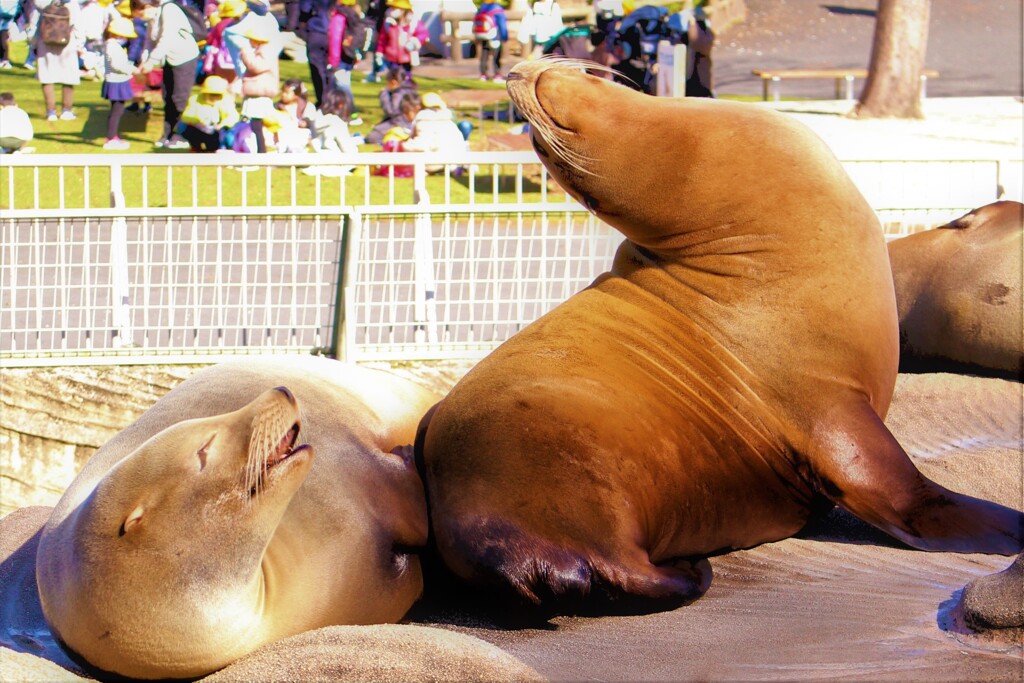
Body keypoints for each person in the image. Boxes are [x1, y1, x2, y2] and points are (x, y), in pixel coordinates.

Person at [142, 0, 202, 148]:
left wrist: (151, 61)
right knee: (167, 98)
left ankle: (180, 135)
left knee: (179, 99)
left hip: (184, 58)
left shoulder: (170, 9)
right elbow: (149, 40)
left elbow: (166, 39)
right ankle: (167, 134)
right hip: (169, 60)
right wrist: (144, 60)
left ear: (147, 6)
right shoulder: (153, 17)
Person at [33, 0, 82, 121]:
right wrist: (80, 45)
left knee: (47, 77)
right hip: (67, 43)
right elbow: (78, 26)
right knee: (68, 77)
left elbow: (37, 22)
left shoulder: (44, 3)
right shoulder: (73, 5)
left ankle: (51, 112)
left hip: (45, 42)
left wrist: (33, 44)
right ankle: (66, 110)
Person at [238, 22, 278, 153]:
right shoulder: (263, 50)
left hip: (260, 93)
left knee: (257, 124)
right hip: (257, 92)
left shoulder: (266, 51)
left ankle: (262, 151)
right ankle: (256, 149)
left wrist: (245, 53)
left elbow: (256, 66)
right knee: (254, 124)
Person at [402, 90, 466, 171]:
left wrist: (403, 146)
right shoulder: (448, 121)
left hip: (438, 163)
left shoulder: (425, 121)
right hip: (456, 161)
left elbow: (422, 145)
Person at [100, 16, 137, 149]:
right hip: (116, 81)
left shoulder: (114, 46)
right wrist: (132, 69)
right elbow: (117, 65)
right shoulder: (112, 46)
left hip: (119, 80)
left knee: (117, 111)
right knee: (116, 111)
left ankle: (113, 136)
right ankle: (110, 138)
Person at [325, 0, 365, 121]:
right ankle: (342, 111)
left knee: (342, 85)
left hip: (340, 57)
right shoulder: (354, 14)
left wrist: (333, 61)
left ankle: (352, 112)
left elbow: (335, 39)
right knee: (344, 83)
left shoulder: (340, 16)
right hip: (349, 55)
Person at [179, 73, 239, 150]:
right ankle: (196, 147)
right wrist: (197, 122)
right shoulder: (195, 99)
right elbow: (186, 116)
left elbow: (233, 116)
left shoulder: (226, 100)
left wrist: (222, 125)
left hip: (218, 129)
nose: (214, 97)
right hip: (200, 128)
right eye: (211, 94)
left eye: (217, 94)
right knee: (183, 127)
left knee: (226, 134)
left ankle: (219, 148)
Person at [374, 0, 425, 78]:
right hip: (391, 58)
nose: (393, 10)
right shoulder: (388, 23)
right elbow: (382, 39)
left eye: (396, 8)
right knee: (394, 79)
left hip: (407, 58)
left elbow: (423, 34)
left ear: (403, 10)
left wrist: (414, 42)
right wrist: (379, 53)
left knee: (405, 79)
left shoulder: (413, 23)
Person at [202, 0, 244, 95]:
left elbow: (211, 39)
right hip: (236, 58)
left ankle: (220, 98)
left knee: (221, 82)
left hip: (221, 58)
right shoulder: (241, 24)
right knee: (232, 82)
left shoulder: (220, 25)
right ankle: (230, 101)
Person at [296, 0, 330, 106]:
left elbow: (305, 8)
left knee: (317, 67)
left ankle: (323, 100)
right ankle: (330, 99)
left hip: (317, 29)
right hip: (333, 28)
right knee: (329, 68)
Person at [274, 77, 314, 152]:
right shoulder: (277, 107)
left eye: (286, 93)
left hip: (300, 136)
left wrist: (305, 123)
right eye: (282, 91)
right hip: (281, 136)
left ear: (296, 95)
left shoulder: (306, 106)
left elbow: (311, 122)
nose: (283, 94)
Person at [471, 0, 507, 82]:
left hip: (484, 35)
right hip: (495, 35)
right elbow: (502, 24)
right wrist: (504, 36)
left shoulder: (482, 8)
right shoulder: (497, 8)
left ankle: (483, 74)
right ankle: (497, 74)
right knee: (496, 55)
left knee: (484, 54)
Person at [0, 0, 22, 68]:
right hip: (9, 11)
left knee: (4, 36)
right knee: (4, 36)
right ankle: (4, 59)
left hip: (5, 11)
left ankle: (5, 60)